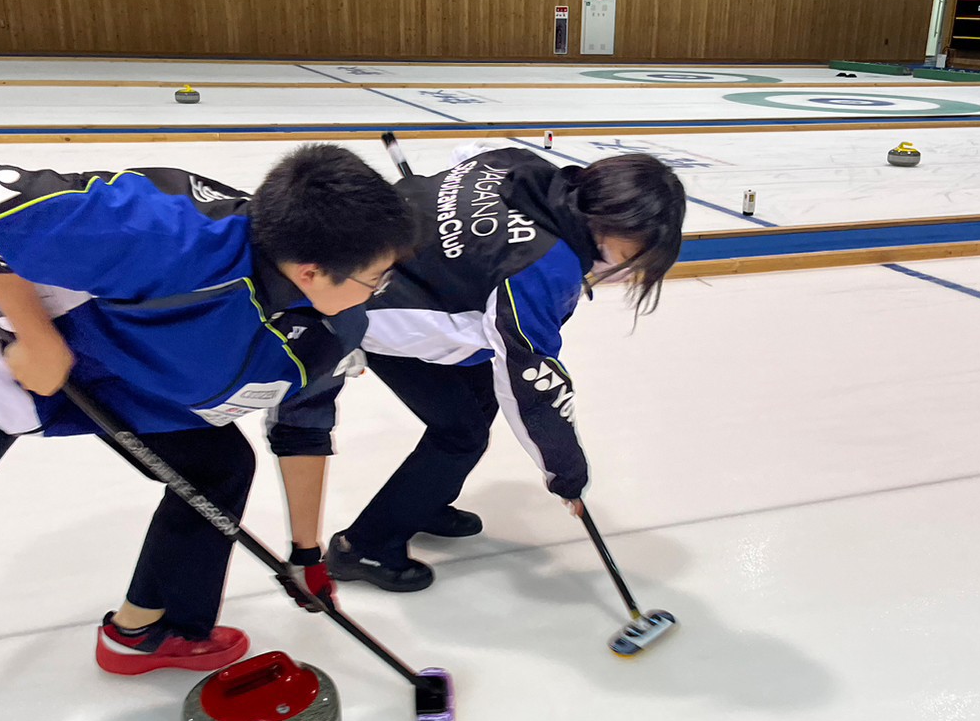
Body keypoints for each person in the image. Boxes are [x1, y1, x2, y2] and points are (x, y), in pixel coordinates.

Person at [0, 144, 413, 721]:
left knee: (217, 464)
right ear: (311, 270)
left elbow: (301, 426)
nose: (380, 290)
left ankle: (144, 632)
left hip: (101, 367)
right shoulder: (165, 231)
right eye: (376, 279)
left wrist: (305, 554)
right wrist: (37, 334)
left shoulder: (322, 325)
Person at [278, 144, 686, 593]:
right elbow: (533, 385)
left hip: (405, 273)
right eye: (636, 255)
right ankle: (364, 546)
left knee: (477, 402)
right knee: (461, 432)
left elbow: (467, 160)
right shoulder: (544, 269)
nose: (631, 270)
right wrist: (566, 474)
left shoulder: (523, 166)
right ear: (611, 226)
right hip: (373, 310)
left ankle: (424, 501)